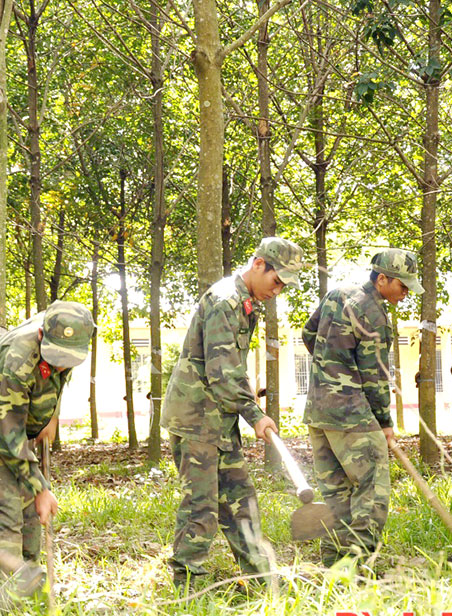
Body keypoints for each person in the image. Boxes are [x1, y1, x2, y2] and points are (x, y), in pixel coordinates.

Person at [161, 236, 305, 591]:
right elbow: (221, 372)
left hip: (219, 420)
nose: (279, 290)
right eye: (277, 280)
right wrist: (255, 414)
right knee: (202, 506)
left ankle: (265, 580)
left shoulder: (244, 303)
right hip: (196, 420)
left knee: (241, 501)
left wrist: (246, 402)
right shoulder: (224, 300)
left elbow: (230, 370)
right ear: (258, 264)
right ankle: (189, 587)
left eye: (285, 285)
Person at [0, 301, 95, 592]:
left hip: (15, 421)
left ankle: (29, 580)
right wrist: (41, 488)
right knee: (4, 506)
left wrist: (49, 416)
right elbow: (8, 435)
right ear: (42, 335)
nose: (62, 364)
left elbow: (55, 378)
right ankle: (7, 597)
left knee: (30, 511)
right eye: (56, 357)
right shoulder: (18, 360)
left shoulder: (67, 334)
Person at [302, 248, 421, 568]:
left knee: (337, 495)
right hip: (353, 415)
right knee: (372, 493)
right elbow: (376, 378)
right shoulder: (376, 316)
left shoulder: (336, 293)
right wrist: (384, 421)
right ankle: (358, 570)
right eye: (403, 286)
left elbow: (308, 334)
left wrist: (332, 368)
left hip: (319, 412)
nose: (406, 294)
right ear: (382, 279)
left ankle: (333, 565)